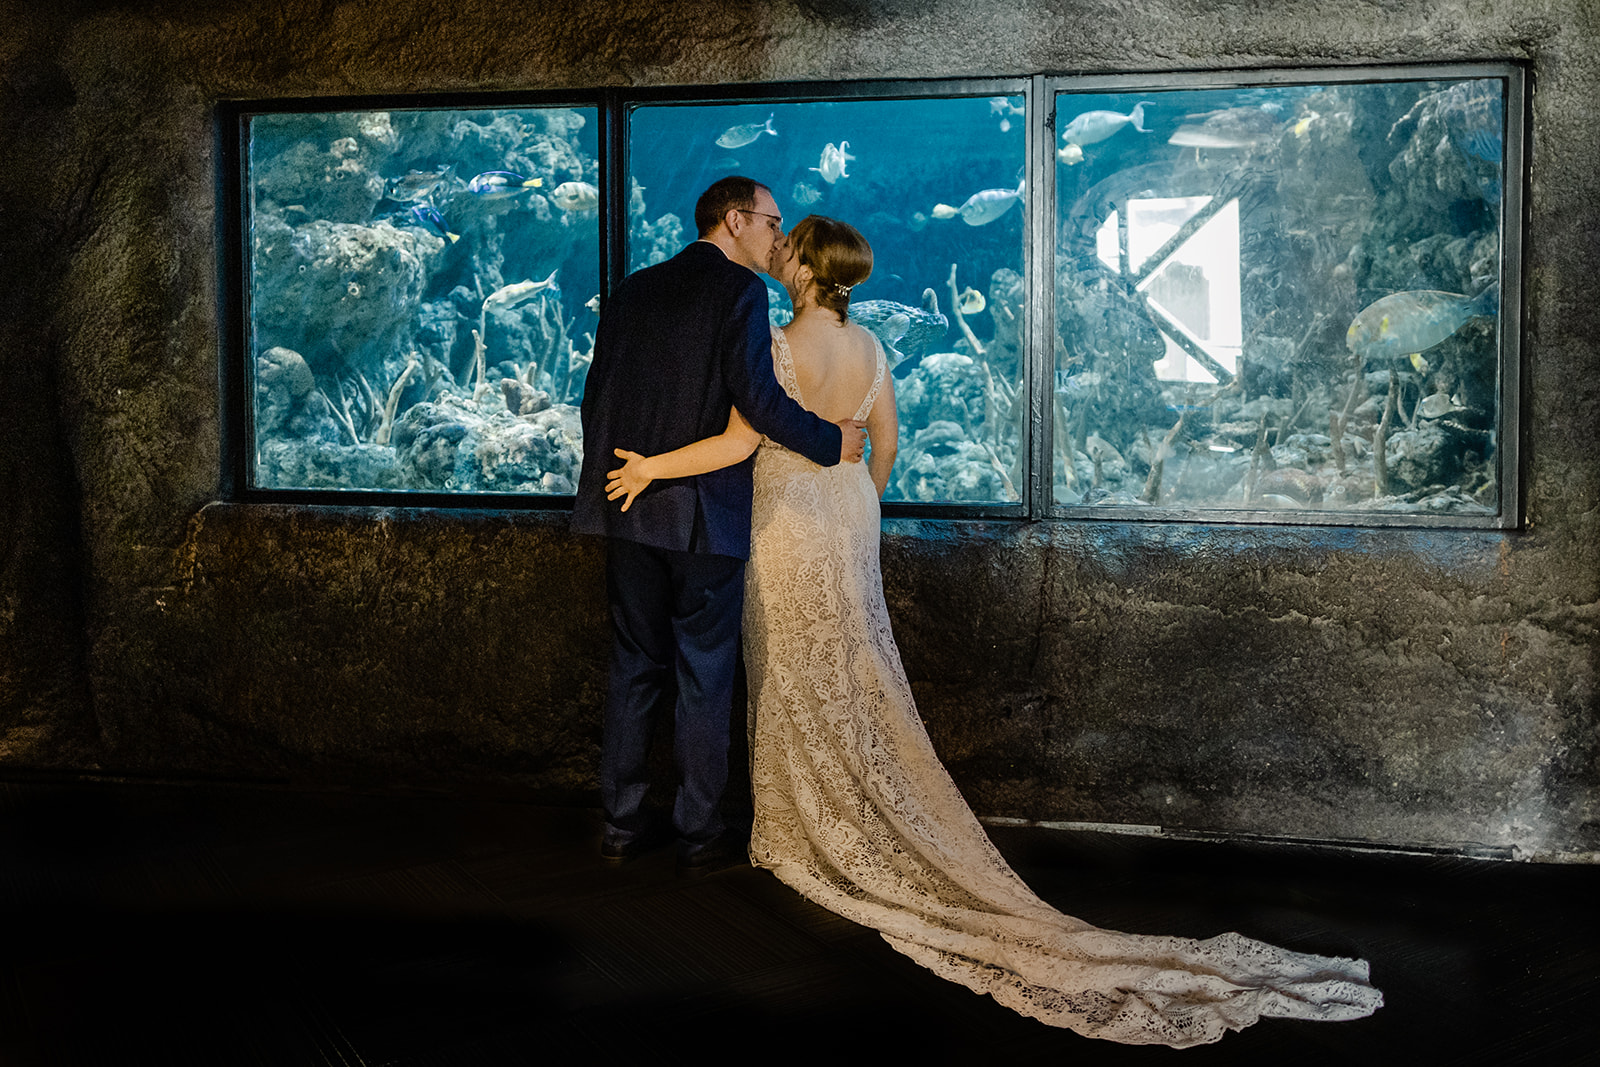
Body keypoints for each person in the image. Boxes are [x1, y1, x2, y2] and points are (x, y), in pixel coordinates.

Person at [604, 214, 1384, 1047]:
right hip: (849, 514)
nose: (779, 249)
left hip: (788, 519)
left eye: (789, 246)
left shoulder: (775, 344)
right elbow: (887, 446)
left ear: (802, 269)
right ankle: (850, 793)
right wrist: (856, 504)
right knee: (857, 658)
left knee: (795, 665)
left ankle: (803, 816)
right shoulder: (871, 350)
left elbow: (744, 436)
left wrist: (655, 465)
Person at [571, 178, 867, 874]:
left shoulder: (633, 288)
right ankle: (699, 830)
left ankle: (619, 824)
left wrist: (615, 481)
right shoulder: (740, 291)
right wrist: (832, 441)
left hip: (625, 507)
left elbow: (595, 398)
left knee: (633, 668)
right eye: (771, 222)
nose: (779, 237)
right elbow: (758, 401)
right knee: (703, 676)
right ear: (734, 221)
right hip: (703, 519)